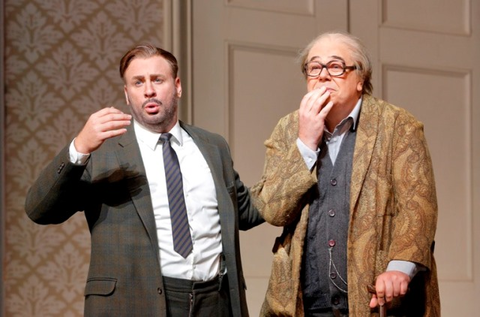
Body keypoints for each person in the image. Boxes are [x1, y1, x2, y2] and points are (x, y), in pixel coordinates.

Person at [25, 44, 263, 317]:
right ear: (127, 94)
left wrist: (304, 153)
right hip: (136, 302)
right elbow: (39, 210)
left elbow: (245, 211)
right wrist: (79, 148)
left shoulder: (212, 146)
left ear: (177, 86)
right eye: (138, 82)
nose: (148, 90)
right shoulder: (104, 152)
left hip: (214, 302)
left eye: (157, 80)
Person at [251, 32, 440, 316]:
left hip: (377, 302)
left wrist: (399, 267)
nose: (323, 76)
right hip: (305, 303)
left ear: (360, 79)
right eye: (314, 68)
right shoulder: (288, 129)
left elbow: (418, 204)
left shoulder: (398, 125)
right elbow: (274, 210)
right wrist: (305, 143)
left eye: (336, 67)